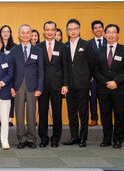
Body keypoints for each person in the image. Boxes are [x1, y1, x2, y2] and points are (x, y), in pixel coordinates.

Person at [95, 24, 124, 149]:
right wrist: (106, 82)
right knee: (105, 114)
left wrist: (115, 82)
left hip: (120, 88)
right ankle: (107, 139)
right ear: (105, 35)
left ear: (118, 34)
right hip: (103, 88)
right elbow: (95, 70)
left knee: (119, 114)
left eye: (114, 32)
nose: (111, 35)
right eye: (108, 32)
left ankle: (118, 140)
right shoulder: (99, 51)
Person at [62, 19, 96, 147]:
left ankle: (83, 138)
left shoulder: (86, 45)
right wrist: (65, 84)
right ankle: (74, 136)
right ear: (67, 31)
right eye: (70, 29)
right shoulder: (64, 46)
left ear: (79, 30)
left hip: (83, 84)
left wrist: (87, 77)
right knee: (72, 113)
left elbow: (93, 63)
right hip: (69, 85)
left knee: (83, 112)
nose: (73, 31)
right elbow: (65, 66)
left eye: (75, 28)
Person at [10, 24, 44, 149]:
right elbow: (11, 70)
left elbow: (41, 71)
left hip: (32, 86)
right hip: (18, 85)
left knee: (31, 112)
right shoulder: (14, 50)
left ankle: (31, 138)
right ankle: (21, 139)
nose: (25, 35)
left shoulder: (38, 50)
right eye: (22, 33)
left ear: (31, 34)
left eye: (27, 32)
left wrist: (40, 88)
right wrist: (11, 87)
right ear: (19, 35)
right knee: (19, 112)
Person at [37, 21, 68, 148]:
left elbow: (65, 67)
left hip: (57, 85)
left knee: (57, 113)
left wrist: (65, 84)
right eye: (47, 29)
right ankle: (43, 138)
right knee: (42, 113)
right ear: (43, 31)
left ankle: (56, 138)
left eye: (52, 29)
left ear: (55, 31)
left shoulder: (62, 47)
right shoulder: (38, 47)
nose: (50, 32)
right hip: (42, 85)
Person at [88, 20, 107, 126]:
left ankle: (106, 120)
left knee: (106, 100)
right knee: (92, 98)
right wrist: (89, 76)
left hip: (106, 77)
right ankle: (94, 119)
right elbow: (87, 61)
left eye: (100, 27)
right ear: (92, 30)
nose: (98, 29)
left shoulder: (108, 41)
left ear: (103, 29)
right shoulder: (88, 44)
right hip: (93, 77)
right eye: (95, 28)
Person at [0, 25, 17, 126]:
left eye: (8, 32)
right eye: (3, 31)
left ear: (10, 34)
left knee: (11, 96)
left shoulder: (15, 46)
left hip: (12, 75)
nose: (5, 33)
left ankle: (9, 119)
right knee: (0, 97)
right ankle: (2, 119)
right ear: (0, 33)